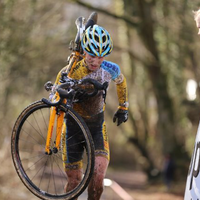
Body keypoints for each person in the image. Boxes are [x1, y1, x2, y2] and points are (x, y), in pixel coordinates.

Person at [52, 24, 129, 199]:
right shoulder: (71, 70)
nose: (96, 61)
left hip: (96, 128)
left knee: (98, 178)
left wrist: (123, 107)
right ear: (85, 51)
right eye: (92, 55)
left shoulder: (111, 69)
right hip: (72, 128)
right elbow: (55, 95)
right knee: (74, 181)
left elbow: (121, 82)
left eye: (101, 57)